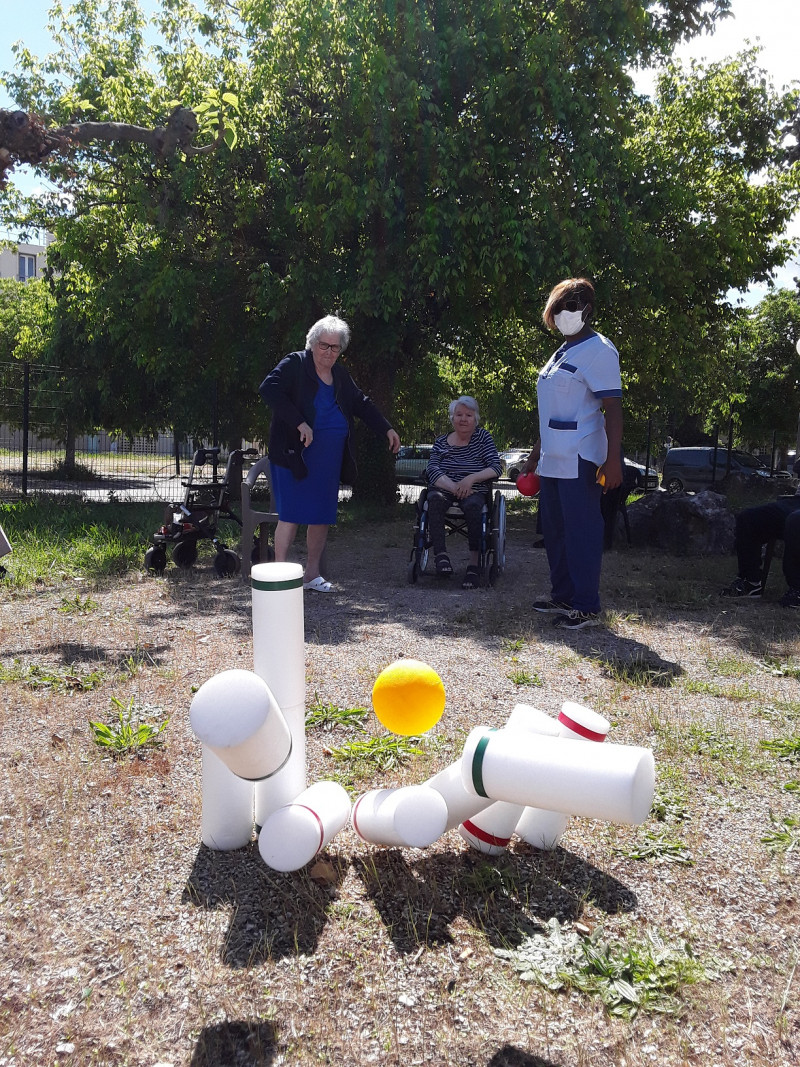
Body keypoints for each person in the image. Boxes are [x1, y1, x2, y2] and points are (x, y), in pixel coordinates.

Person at [259, 315, 400, 592]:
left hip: (329, 457)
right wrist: (299, 421)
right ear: (312, 343)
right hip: (294, 454)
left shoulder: (340, 375)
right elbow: (269, 389)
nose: (329, 352)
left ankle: (312, 575)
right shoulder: (295, 364)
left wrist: (387, 429)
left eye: (336, 348)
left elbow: (361, 402)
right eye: (324, 346)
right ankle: (279, 574)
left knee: (321, 515)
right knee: (290, 514)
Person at [520, 277, 623, 629]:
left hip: (581, 456)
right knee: (555, 530)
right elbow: (553, 410)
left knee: (582, 530)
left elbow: (613, 407)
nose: (560, 316)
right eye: (555, 311)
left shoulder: (600, 349)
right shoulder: (562, 351)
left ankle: (587, 606)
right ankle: (563, 594)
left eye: (566, 309)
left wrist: (613, 460)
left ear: (586, 310)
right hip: (552, 458)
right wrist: (535, 454)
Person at [424, 396, 502, 589]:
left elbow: (496, 467)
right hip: (446, 487)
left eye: (469, 414)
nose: (463, 419)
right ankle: (440, 556)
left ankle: (473, 565)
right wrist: (454, 487)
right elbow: (432, 469)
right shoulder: (441, 442)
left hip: (474, 489)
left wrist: (471, 479)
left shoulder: (484, 438)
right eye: (459, 414)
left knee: (474, 506)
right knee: (434, 499)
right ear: (452, 418)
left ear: (476, 418)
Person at [720, 458, 800, 609]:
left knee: (795, 521)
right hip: (795, 502)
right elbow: (798, 465)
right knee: (748, 518)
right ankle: (750, 582)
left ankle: (797, 589)